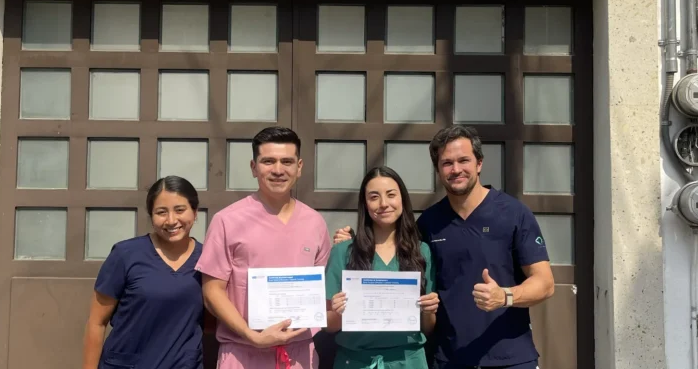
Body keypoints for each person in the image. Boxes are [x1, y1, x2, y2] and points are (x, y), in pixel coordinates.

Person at [334, 125, 555, 369]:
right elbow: (390, 245)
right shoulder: (429, 222)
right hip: (449, 358)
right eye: (447, 163)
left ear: (479, 163)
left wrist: (505, 296)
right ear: (438, 169)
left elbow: (545, 283)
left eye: (463, 160)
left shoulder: (514, 213)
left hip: (510, 356)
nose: (456, 169)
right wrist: (354, 239)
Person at [196, 126, 331, 369]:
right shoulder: (227, 220)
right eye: (268, 161)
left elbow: (323, 290)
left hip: (300, 354)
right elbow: (212, 291)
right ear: (253, 167)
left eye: (287, 161)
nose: (278, 170)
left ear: (299, 167)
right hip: (243, 352)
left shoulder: (315, 223)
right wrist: (253, 336)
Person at [82, 175, 205, 369]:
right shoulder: (126, 255)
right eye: (161, 212)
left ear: (195, 212)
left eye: (180, 210)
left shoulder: (207, 259)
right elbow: (97, 322)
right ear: (151, 215)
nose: (171, 220)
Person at [325, 166, 440, 369]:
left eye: (391, 195)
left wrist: (429, 310)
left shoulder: (421, 251)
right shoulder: (343, 252)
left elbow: (427, 327)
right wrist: (338, 310)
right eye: (374, 197)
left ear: (402, 199)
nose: (383, 204)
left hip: (409, 361)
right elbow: (330, 325)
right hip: (354, 361)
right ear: (365, 204)